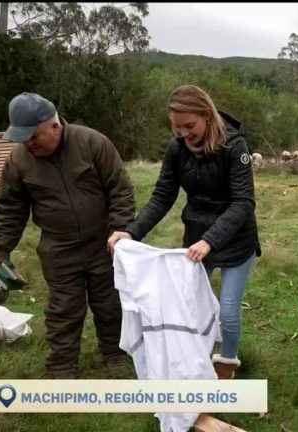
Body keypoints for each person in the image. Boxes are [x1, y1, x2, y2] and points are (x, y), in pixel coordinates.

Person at [107, 84, 261, 379]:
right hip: (195, 241)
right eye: (177, 128)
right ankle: (193, 363)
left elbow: (244, 203)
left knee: (228, 310)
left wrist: (211, 240)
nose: (184, 133)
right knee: (190, 308)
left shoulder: (235, 147)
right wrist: (131, 232)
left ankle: (226, 364)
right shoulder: (177, 149)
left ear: (207, 116)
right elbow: (162, 197)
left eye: (190, 126)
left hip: (236, 240)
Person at [0, 92, 137, 379]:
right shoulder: (19, 161)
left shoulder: (92, 143)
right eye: (22, 138)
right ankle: (62, 366)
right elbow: (9, 211)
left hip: (104, 243)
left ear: (54, 126)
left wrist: (122, 229)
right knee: (64, 309)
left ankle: (116, 353)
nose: (28, 143)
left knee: (110, 303)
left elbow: (120, 189)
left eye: (33, 136)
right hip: (59, 247)